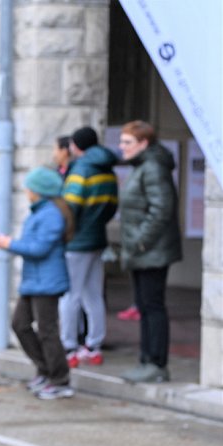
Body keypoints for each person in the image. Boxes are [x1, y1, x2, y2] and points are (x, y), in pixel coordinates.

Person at [0, 167, 75, 400]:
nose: (26, 191)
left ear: (38, 191)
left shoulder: (50, 215)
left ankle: (60, 380)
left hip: (47, 283)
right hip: (35, 281)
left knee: (48, 331)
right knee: (20, 325)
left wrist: (9, 244)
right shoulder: (41, 212)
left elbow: (39, 248)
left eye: (29, 187)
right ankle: (45, 370)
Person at [116, 120, 182, 383]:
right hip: (141, 250)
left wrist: (141, 241)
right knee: (144, 306)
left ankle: (155, 363)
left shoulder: (152, 167)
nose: (122, 147)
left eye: (127, 142)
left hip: (151, 251)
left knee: (153, 306)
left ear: (143, 143)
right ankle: (146, 361)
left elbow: (162, 209)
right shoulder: (142, 167)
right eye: (121, 141)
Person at [59, 126, 118, 368]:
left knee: (70, 296)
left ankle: (68, 348)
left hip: (76, 242)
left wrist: (63, 232)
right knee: (93, 295)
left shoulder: (81, 169)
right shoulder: (108, 169)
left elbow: (69, 207)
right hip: (97, 239)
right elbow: (112, 205)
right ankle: (94, 347)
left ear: (76, 146)